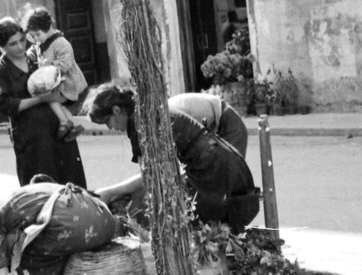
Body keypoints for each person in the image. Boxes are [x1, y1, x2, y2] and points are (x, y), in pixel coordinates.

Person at [89, 84, 260, 233]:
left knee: (204, 223)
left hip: (209, 163)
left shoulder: (137, 122)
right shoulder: (144, 110)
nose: (110, 127)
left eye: (107, 122)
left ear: (116, 111)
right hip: (214, 156)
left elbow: (148, 176)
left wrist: (110, 192)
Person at [0, 17, 87, 188]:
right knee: (42, 186)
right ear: (2, 46)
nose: (20, 46)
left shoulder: (36, 57)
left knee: (71, 182)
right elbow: (5, 106)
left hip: (59, 130)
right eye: (13, 44)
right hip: (31, 138)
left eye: (22, 40)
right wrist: (40, 99)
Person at [22, 6, 87, 141]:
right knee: (53, 99)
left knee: (48, 97)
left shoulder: (61, 43)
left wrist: (50, 66)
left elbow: (66, 64)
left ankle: (65, 122)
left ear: (48, 28)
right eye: (32, 36)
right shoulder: (42, 42)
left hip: (67, 83)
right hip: (55, 83)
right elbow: (36, 51)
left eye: (37, 35)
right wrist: (30, 55)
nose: (36, 39)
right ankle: (72, 124)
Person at [167, 92, 248, 157]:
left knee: (233, 168)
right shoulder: (169, 108)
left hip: (227, 120)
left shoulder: (171, 115)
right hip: (219, 119)